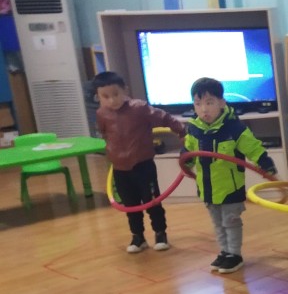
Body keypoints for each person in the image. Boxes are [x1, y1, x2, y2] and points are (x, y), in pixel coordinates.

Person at [183, 77, 277, 274]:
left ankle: (235, 254)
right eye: (198, 104)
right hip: (207, 188)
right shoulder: (194, 129)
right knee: (218, 223)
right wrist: (185, 162)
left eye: (209, 103)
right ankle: (225, 252)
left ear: (222, 102)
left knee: (231, 222)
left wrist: (266, 165)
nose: (204, 109)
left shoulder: (234, 128)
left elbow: (253, 148)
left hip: (230, 188)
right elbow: (188, 151)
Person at [93, 71, 187, 253]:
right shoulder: (101, 114)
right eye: (105, 96)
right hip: (120, 169)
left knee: (152, 201)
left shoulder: (139, 108)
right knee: (131, 205)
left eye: (116, 94)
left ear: (125, 90)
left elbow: (165, 118)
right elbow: (105, 134)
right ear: (98, 97)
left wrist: (182, 131)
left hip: (143, 165)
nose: (112, 100)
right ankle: (138, 236)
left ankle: (160, 233)